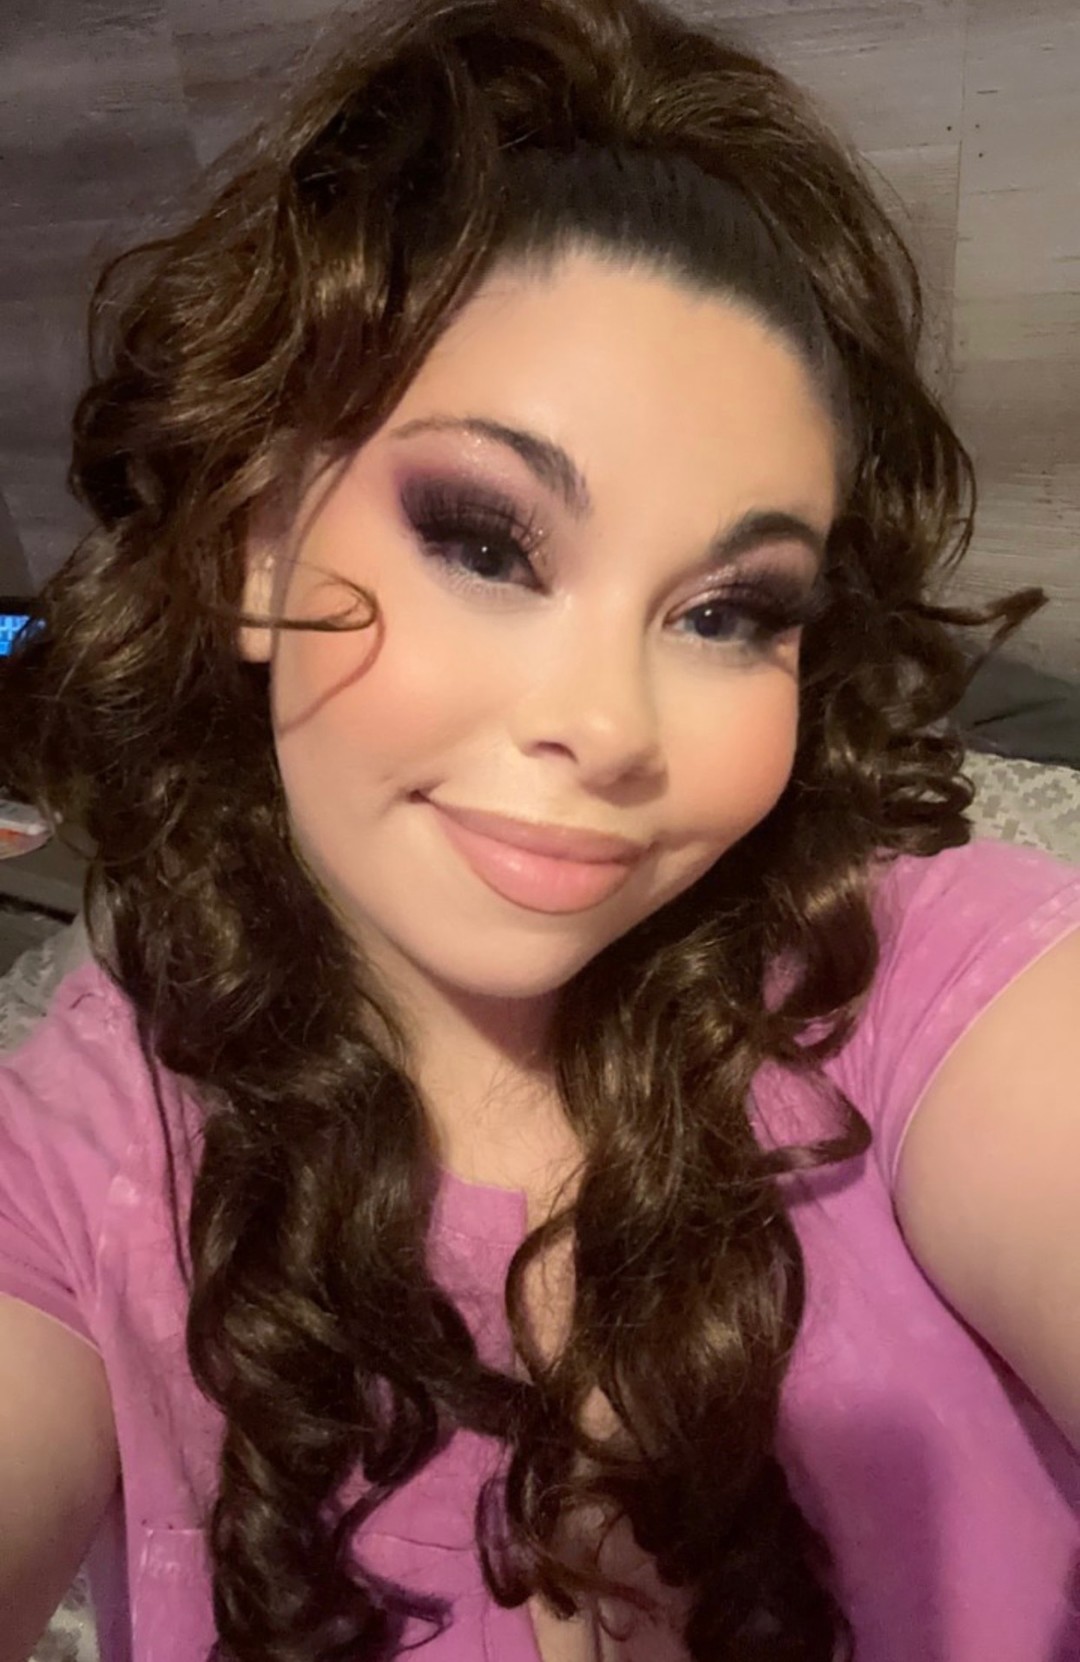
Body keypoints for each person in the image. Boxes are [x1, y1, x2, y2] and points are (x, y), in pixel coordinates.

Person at [0, 0, 1077, 1657]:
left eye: (729, 611)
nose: (614, 726)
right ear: (253, 540)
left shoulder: (917, 976)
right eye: (489, 544)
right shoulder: (86, 1159)